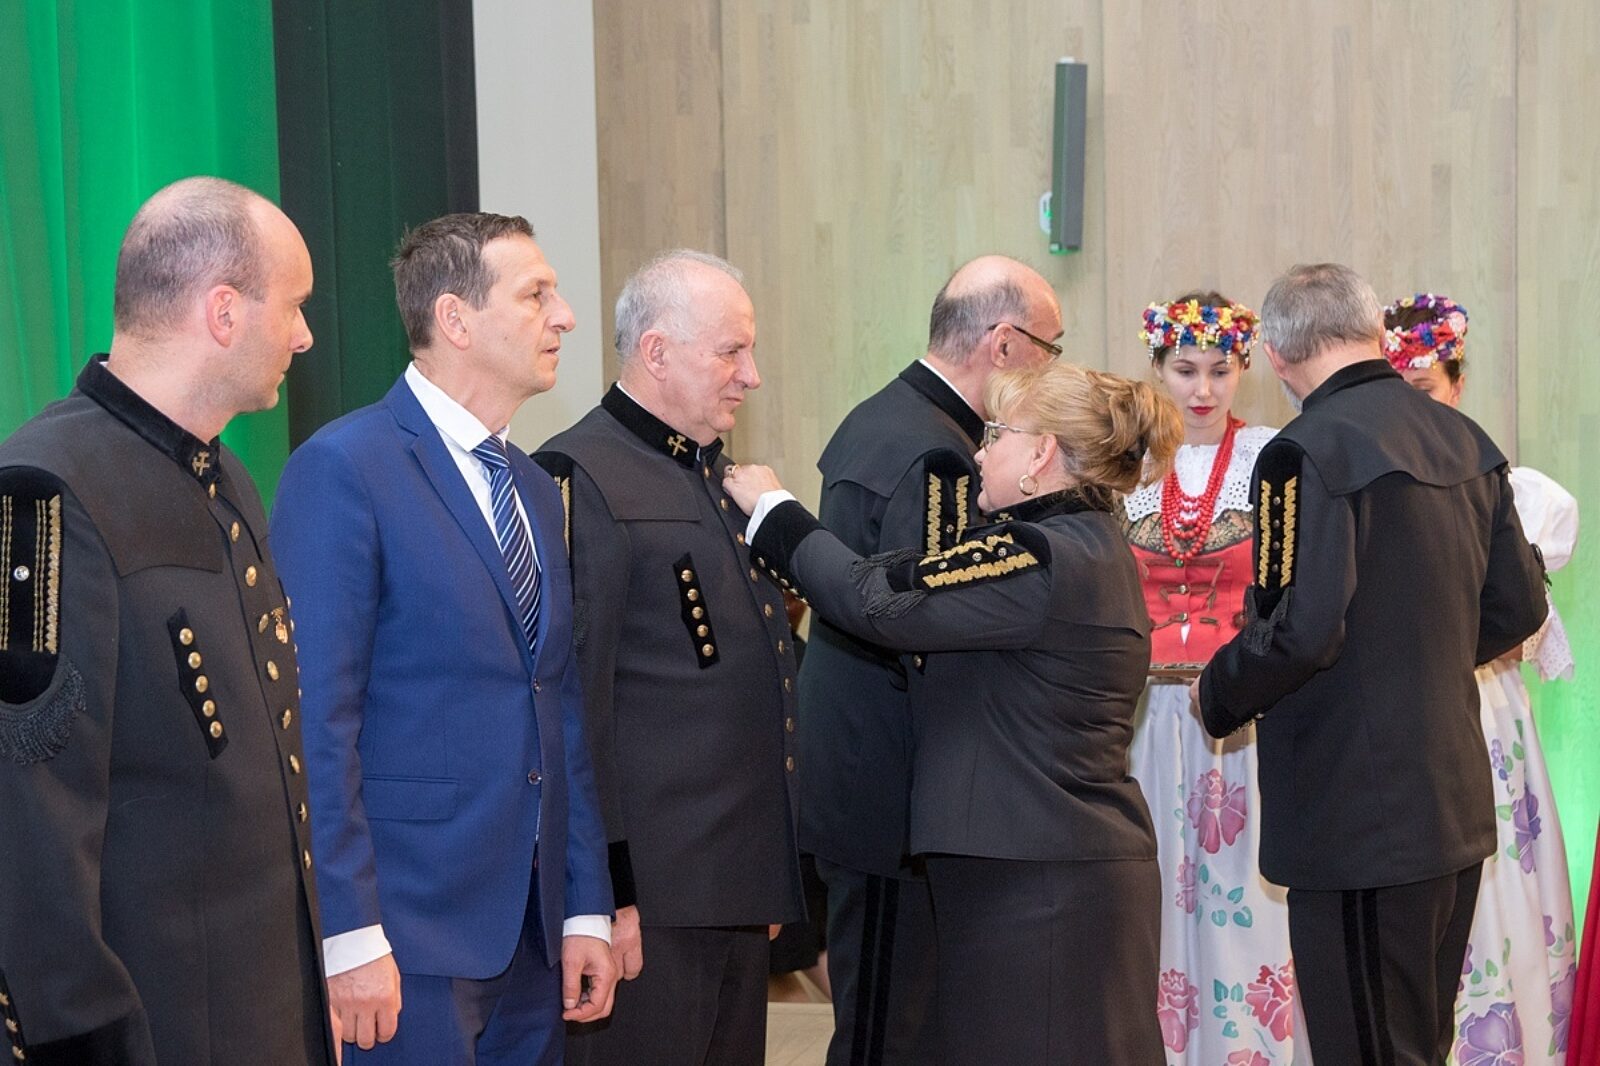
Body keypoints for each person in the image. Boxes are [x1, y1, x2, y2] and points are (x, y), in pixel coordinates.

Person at [726, 359, 1181, 1061]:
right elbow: (902, 579)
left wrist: (774, 513)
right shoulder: (1073, 545)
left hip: (1042, 885)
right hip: (1042, 871)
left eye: (998, 435)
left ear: (1041, 454)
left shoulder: (1039, 556)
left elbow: (879, 604)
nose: (979, 453)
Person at [0, 176, 334, 1064]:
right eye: (294, 305)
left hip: (266, 1018)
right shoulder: (47, 489)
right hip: (157, 1031)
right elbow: (32, 825)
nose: (304, 334)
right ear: (223, 312)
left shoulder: (229, 480)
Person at [270, 213, 615, 1065]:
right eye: (536, 295)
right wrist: (348, 932)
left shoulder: (533, 487)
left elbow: (557, 703)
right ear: (456, 319)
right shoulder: (345, 467)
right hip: (405, 938)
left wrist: (584, 903)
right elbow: (315, 719)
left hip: (533, 935)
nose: (566, 315)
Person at [1194, 263, 1549, 1063]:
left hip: (1355, 813)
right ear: (1375, 335)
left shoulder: (1301, 452)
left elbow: (1298, 629)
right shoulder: (1465, 438)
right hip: (1450, 806)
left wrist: (1218, 693)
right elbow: (1519, 607)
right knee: (1415, 1044)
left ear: (1276, 356)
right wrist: (1417, 656)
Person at [532, 250, 804, 1065]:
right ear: (656, 352)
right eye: (730, 352)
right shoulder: (579, 474)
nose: (750, 376)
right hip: (650, 902)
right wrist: (604, 896)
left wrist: (766, 870)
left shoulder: (718, 476)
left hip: (733, 886)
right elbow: (579, 707)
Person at [799, 254, 1062, 1064]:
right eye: (1050, 348)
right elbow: (929, 627)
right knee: (893, 1030)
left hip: (859, 766)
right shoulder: (942, 453)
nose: (1053, 370)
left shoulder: (881, 414)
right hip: (896, 788)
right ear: (1004, 345)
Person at [1383, 293, 1581, 1061]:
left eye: (1425, 390)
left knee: (1490, 872)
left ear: (1457, 385)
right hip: (1399, 721)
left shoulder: (1511, 491)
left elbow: (1514, 615)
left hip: (1482, 710)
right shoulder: (1365, 488)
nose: (1411, 408)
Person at [1123, 292, 1305, 1062]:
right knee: (1152, 889)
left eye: (1220, 371)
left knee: (1242, 894)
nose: (1202, 389)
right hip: (1142, 717)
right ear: (1157, 367)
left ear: (1243, 371)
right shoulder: (1125, 463)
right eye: (1185, 369)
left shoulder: (1271, 457)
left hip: (1239, 712)